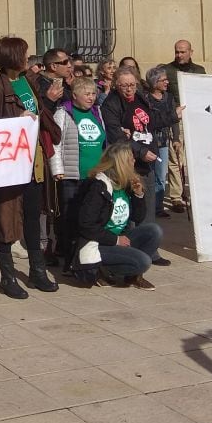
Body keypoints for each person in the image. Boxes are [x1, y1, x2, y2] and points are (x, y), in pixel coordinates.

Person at [0, 36, 62, 298]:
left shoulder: (30, 81)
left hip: (34, 162)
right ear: (12, 56)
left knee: (32, 216)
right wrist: (15, 118)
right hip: (9, 166)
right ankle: (7, 276)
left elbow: (40, 113)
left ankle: (37, 272)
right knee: (5, 218)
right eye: (24, 54)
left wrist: (47, 101)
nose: (28, 58)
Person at [100, 65, 176, 266]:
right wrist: (141, 152)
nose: (129, 89)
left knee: (148, 206)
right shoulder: (111, 104)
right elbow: (116, 135)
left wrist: (173, 115)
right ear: (116, 85)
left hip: (147, 160)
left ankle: (151, 250)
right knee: (131, 208)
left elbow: (151, 121)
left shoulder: (141, 98)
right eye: (124, 85)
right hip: (127, 163)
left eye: (132, 84)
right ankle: (131, 251)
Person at [74, 143, 162, 290]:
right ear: (121, 163)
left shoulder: (125, 183)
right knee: (144, 262)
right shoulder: (99, 186)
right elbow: (86, 225)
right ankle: (102, 268)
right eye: (131, 159)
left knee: (154, 231)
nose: (134, 162)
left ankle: (133, 277)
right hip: (98, 243)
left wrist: (138, 195)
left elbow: (138, 218)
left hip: (119, 238)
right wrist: (115, 240)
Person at [49, 75, 106, 273]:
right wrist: (57, 169)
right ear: (74, 95)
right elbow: (55, 145)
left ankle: (86, 257)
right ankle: (67, 258)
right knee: (70, 219)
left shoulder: (97, 112)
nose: (91, 98)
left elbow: (104, 143)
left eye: (93, 94)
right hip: (72, 177)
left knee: (90, 218)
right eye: (86, 94)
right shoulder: (63, 114)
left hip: (95, 177)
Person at [145, 65, 179, 220]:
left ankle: (157, 207)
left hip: (163, 142)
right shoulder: (145, 98)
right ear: (154, 82)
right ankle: (147, 207)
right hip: (149, 142)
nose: (167, 82)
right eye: (163, 80)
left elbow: (174, 120)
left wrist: (176, 139)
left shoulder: (169, 98)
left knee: (160, 176)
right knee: (148, 175)